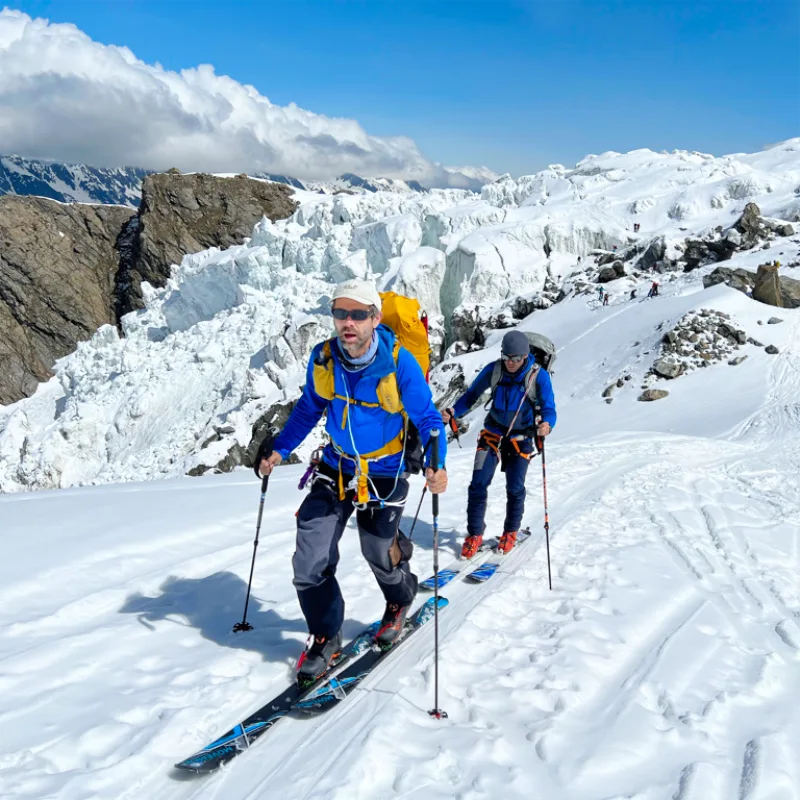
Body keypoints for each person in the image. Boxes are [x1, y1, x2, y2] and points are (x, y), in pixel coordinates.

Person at [256, 279, 448, 683]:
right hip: (336, 466)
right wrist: (279, 449)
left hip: (385, 470)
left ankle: (400, 596)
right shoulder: (324, 358)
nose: (348, 322)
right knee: (309, 555)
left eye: (358, 314)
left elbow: (429, 419)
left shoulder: (397, 362)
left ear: (375, 318)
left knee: (376, 550)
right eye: (340, 313)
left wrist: (437, 464)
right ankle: (325, 635)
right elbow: (310, 408)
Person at [441, 330, 556, 558]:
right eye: (507, 358)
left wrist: (547, 425)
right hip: (492, 433)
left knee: (514, 488)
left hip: (521, 438)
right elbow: (471, 395)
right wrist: (455, 411)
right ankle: (474, 534)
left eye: (516, 359)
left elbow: (549, 408)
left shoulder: (538, 376)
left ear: (525, 356)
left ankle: (510, 532)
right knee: (478, 484)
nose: (511, 363)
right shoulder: (494, 370)